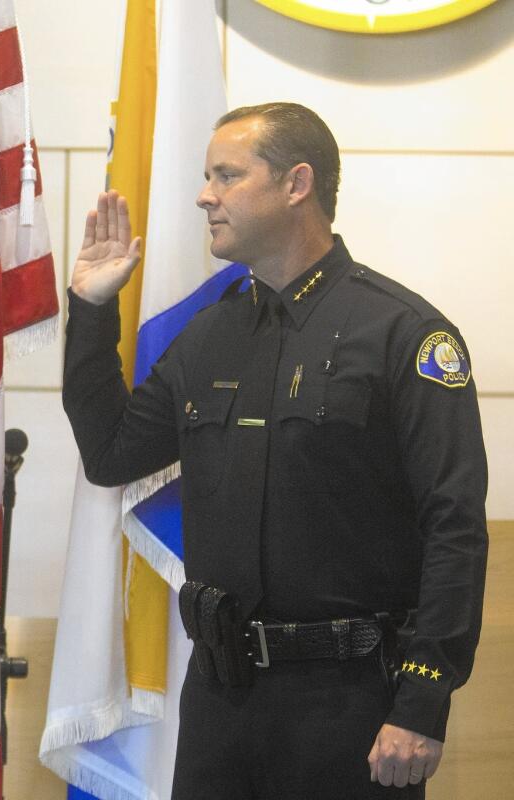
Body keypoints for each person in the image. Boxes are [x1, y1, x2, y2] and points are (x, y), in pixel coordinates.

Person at [63, 103, 487, 798]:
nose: (205, 194)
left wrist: (423, 701)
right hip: (220, 705)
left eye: (227, 175)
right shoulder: (209, 336)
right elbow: (111, 454)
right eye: (205, 176)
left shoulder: (403, 335)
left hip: (350, 707)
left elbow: (455, 529)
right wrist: (91, 311)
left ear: (297, 184)